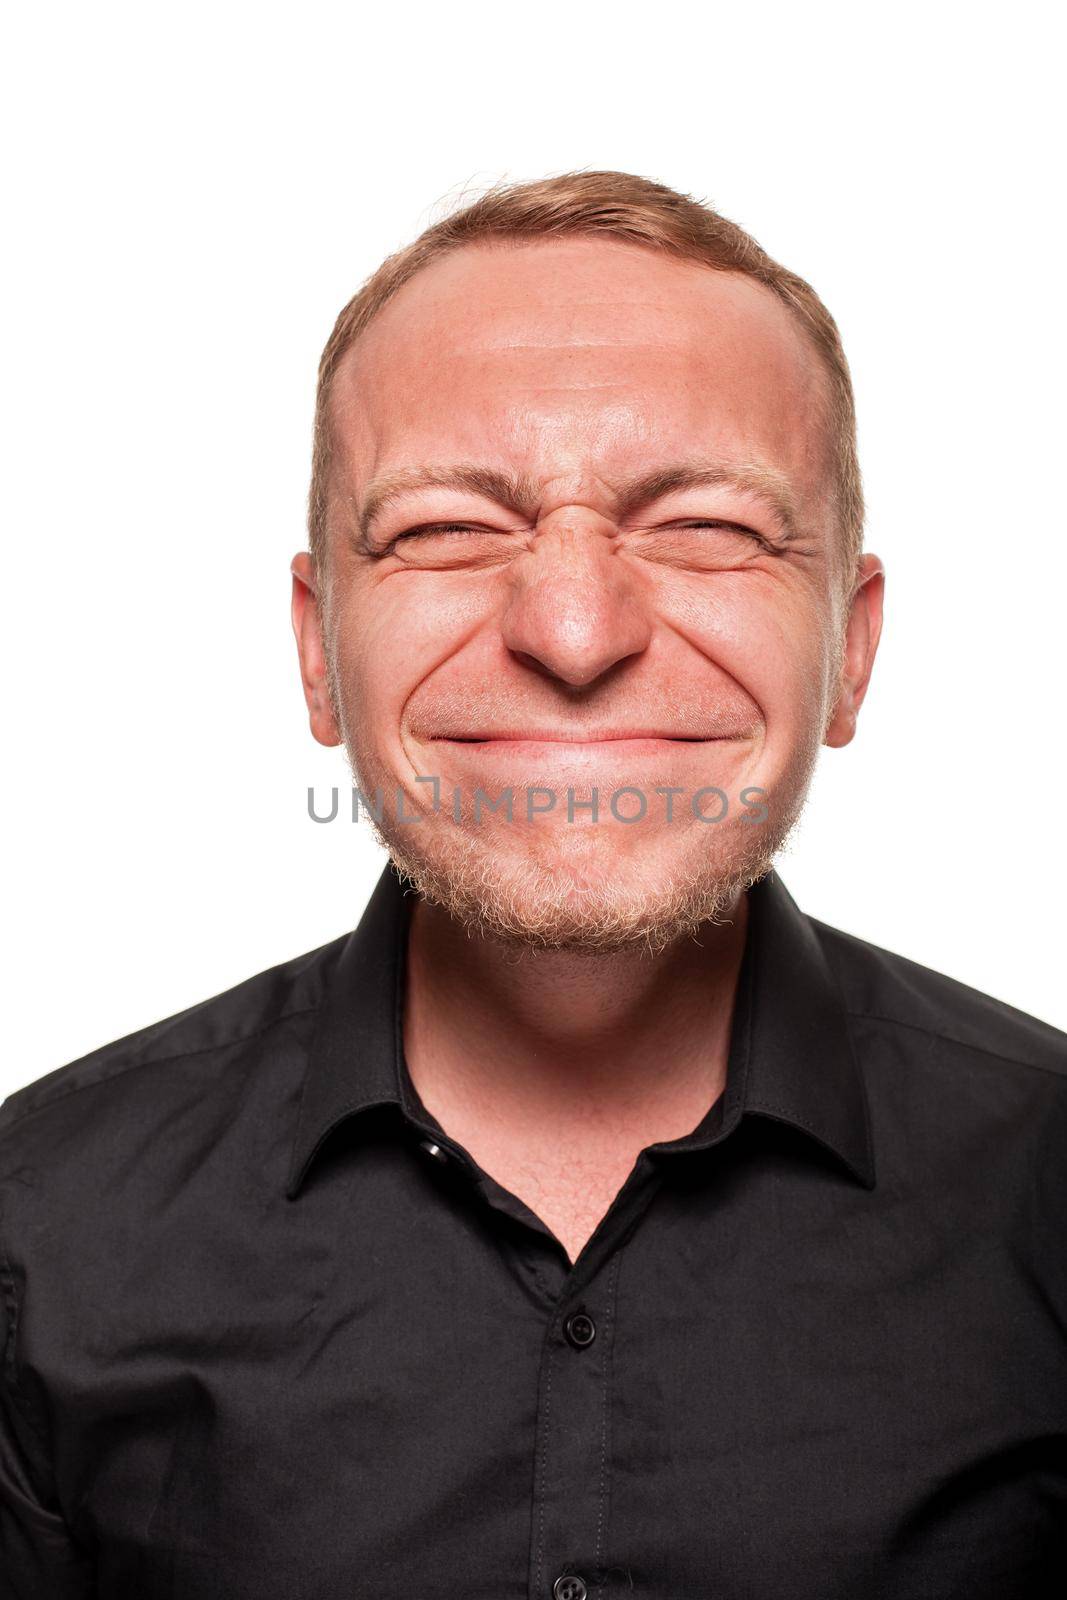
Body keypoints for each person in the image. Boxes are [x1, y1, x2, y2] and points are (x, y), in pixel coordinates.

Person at [1, 170, 1064, 1600]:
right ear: (318, 649)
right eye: (443, 527)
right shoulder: (38, 1226)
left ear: (851, 649)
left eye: (706, 525)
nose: (571, 630)